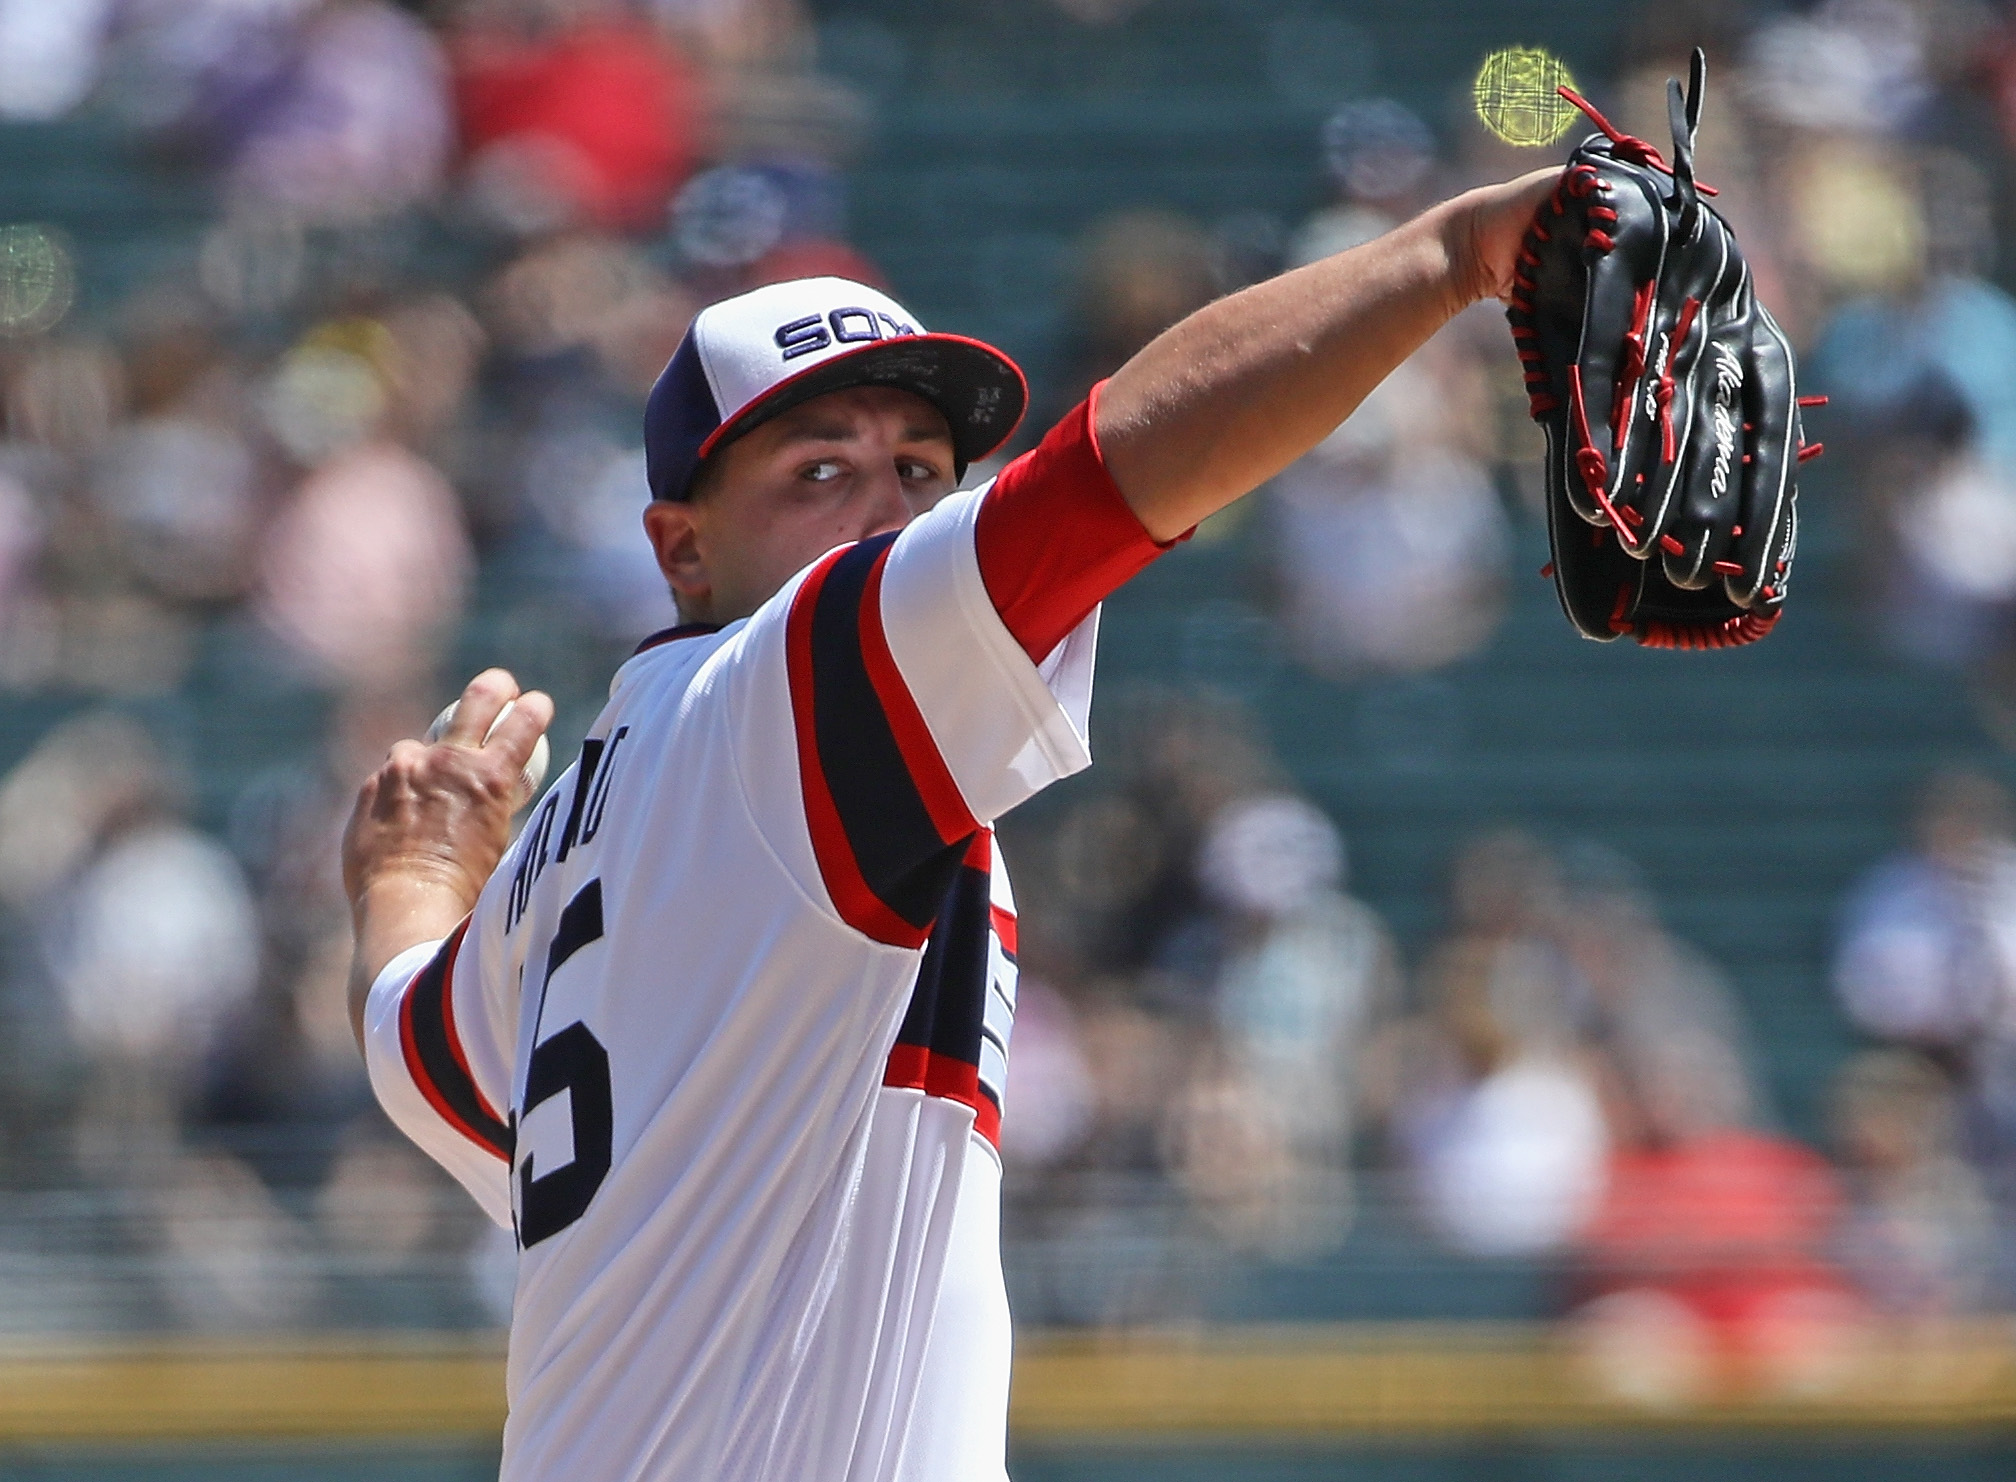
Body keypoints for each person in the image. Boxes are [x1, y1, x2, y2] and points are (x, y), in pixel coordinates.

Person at [340, 161, 1557, 1480]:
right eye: (820, 468)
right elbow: (1103, 478)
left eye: (919, 465)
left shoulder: (565, 851)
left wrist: (408, 876)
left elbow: (413, 1040)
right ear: (683, 549)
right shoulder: (780, 693)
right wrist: (1453, 255)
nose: (887, 507)